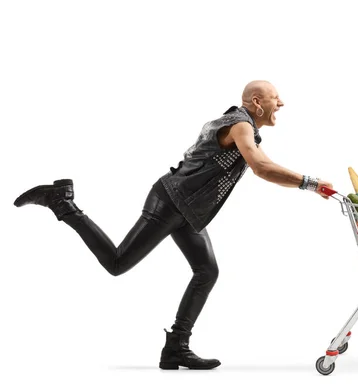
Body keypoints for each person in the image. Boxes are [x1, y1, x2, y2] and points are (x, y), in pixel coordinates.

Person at [13, 80, 334, 370]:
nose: (282, 103)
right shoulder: (239, 125)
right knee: (117, 263)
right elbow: (261, 167)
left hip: (189, 210)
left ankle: (175, 348)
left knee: (207, 271)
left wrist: (307, 183)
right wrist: (311, 183)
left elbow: (267, 165)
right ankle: (63, 203)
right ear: (256, 101)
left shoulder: (243, 126)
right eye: (276, 97)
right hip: (171, 201)